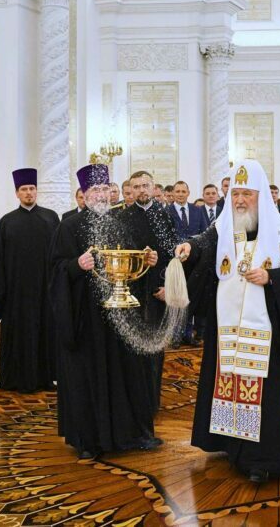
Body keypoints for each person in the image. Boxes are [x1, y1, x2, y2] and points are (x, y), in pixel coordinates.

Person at [175, 160, 280, 482]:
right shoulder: (224, 227)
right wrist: (189, 247)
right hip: (226, 327)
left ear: (260, 195)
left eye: (246, 194)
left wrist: (271, 276)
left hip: (263, 327)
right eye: (235, 193)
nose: (239, 200)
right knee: (228, 383)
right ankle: (230, 444)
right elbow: (204, 242)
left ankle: (261, 458)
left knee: (260, 390)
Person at [50, 164, 164, 459]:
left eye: (104, 189)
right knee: (90, 377)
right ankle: (89, 440)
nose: (101, 195)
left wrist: (148, 261)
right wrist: (77, 265)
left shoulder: (122, 223)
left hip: (122, 317)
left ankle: (132, 434)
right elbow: (56, 270)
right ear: (84, 194)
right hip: (87, 319)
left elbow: (133, 263)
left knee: (127, 373)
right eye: (94, 190)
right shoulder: (69, 227)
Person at [0, 168, 61, 393]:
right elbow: (0, 259)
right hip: (16, 292)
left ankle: (45, 378)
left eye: (32, 188)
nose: (29, 193)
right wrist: (1, 291)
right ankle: (14, 379)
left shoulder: (51, 218)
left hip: (45, 289)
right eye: (24, 189)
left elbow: (58, 254)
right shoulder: (6, 222)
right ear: (17, 193)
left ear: (36, 191)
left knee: (45, 332)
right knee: (19, 334)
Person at [120, 170, 178, 406]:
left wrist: (168, 286)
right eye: (136, 187)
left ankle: (151, 400)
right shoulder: (123, 217)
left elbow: (174, 256)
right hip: (130, 293)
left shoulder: (165, 216)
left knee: (155, 347)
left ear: (153, 188)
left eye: (145, 185)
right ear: (131, 190)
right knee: (131, 346)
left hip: (157, 292)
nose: (141, 190)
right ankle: (133, 400)